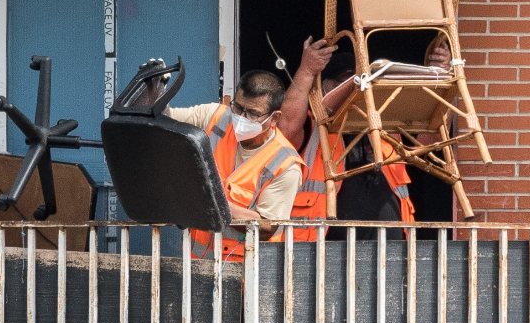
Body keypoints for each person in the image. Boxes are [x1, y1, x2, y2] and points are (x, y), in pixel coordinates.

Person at [276, 36, 415, 237]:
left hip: (389, 253)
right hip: (325, 253)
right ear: (324, 89)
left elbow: (432, 137)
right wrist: (306, 71)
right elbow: (285, 129)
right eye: (345, 84)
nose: (354, 93)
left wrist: (440, 73)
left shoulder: (384, 126)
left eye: (359, 86)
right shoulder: (312, 127)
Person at [165, 70, 302, 260]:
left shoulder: (286, 165)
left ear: (275, 118)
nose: (241, 118)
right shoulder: (216, 116)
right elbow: (166, 117)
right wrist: (152, 91)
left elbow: (267, 227)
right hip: (197, 267)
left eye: (253, 113)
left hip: (248, 274)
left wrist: (212, 202)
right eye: (238, 108)